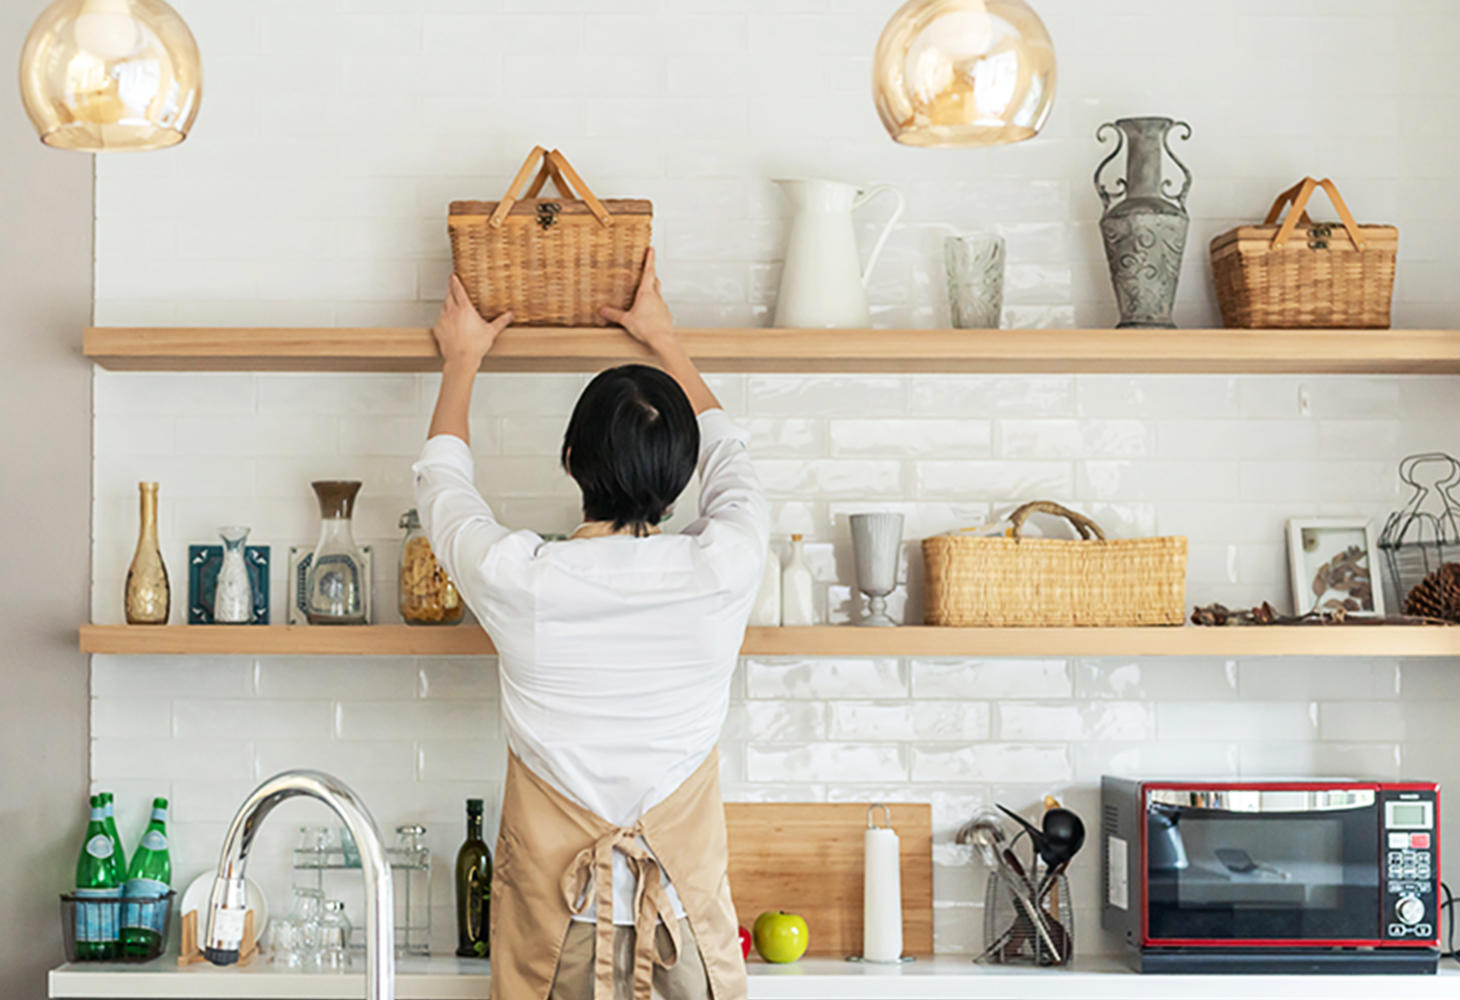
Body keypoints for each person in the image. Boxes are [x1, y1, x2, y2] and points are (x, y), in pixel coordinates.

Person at [413, 249, 767, 1000]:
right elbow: (733, 456)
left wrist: (464, 359)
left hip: (556, 945)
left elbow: (443, 490)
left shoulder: (524, 580)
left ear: (570, 460)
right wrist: (665, 339)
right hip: (685, 933)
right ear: (678, 484)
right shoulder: (723, 567)